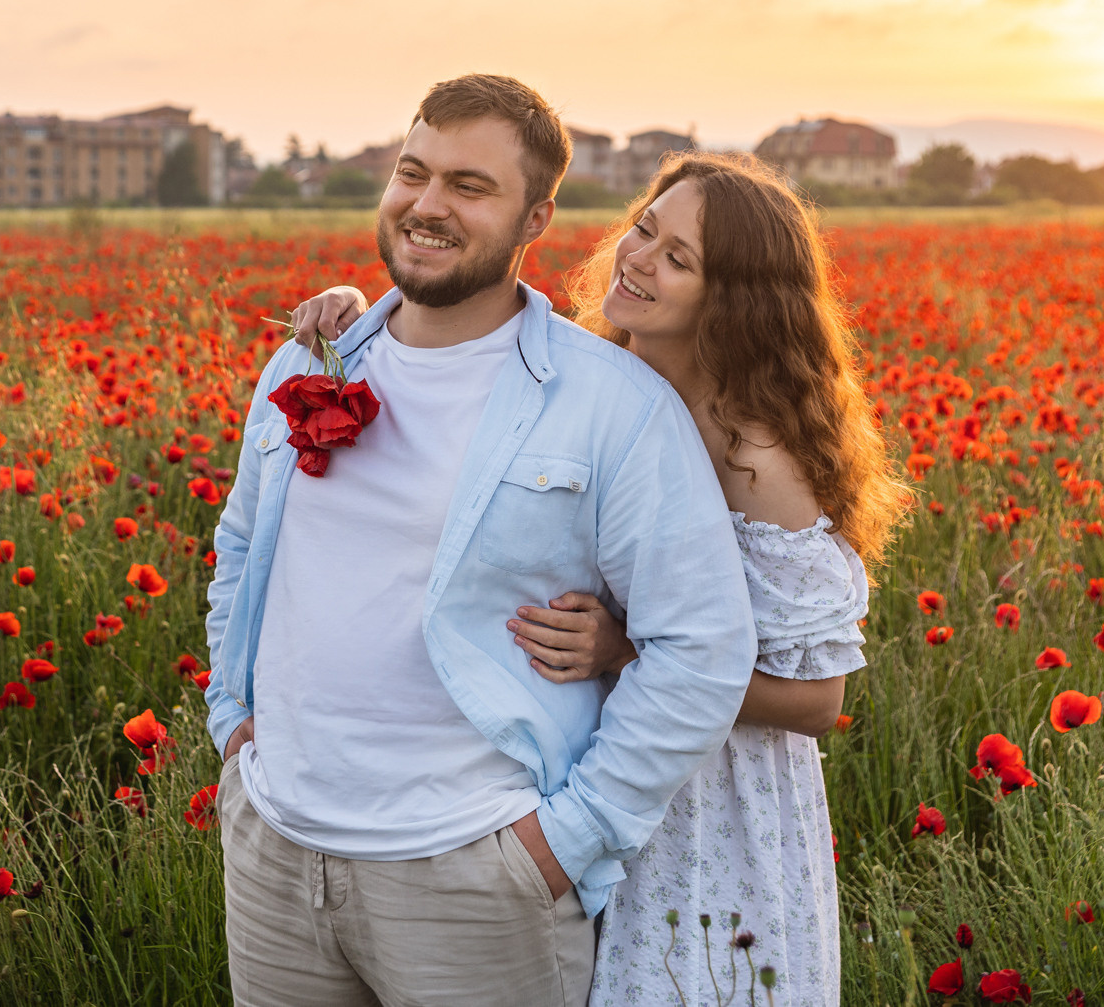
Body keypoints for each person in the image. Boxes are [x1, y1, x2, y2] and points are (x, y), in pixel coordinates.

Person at [289, 150, 907, 1006]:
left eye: (677, 258)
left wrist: (625, 649)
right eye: (644, 230)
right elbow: (461, 339)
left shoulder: (752, 451)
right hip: (585, 766)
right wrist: (358, 317)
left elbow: (819, 701)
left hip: (708, 810)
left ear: (734, 299)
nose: (638, 258)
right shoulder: (596, 378)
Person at [205, 74, 759, 1007]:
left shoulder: (608, 404)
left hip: (476, 875)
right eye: (412, 172)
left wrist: (565, 841)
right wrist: (234, 728)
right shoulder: (308, 360)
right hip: (277, 850)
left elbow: (703, 647)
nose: (427, 205)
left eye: (469, 186)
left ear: (535, 216)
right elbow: (242, 548)